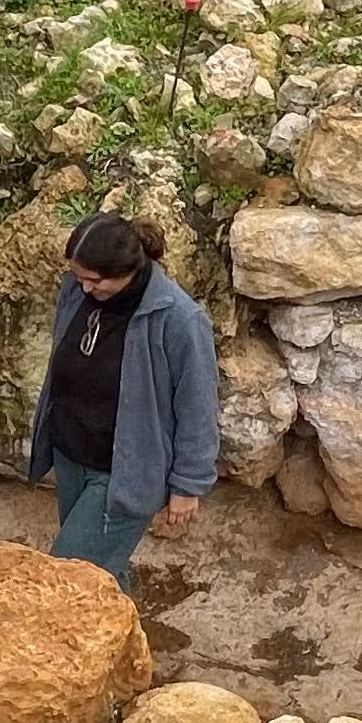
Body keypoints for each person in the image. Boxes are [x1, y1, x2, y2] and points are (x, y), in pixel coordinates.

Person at [27, 209, 220, 585]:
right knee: (102, 571)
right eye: (77, 277)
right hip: (71, 455)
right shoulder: (76, 292)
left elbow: (198, 406)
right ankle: (125, 643)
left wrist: (188, 485)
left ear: (126, 271)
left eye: (94, 281)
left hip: (123, 474)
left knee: (69, 577)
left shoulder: (179, 319)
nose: (84, 289)